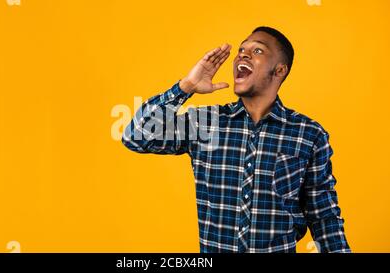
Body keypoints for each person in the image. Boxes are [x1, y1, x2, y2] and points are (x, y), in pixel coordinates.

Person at [122, 26, 350, 253]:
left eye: (258, 51)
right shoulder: (206, 122)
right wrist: (186, 87)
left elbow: (324, 217)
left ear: (280, 70)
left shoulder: (308, 134)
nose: (242, 54)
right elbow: (136, 136)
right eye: (241, 49)